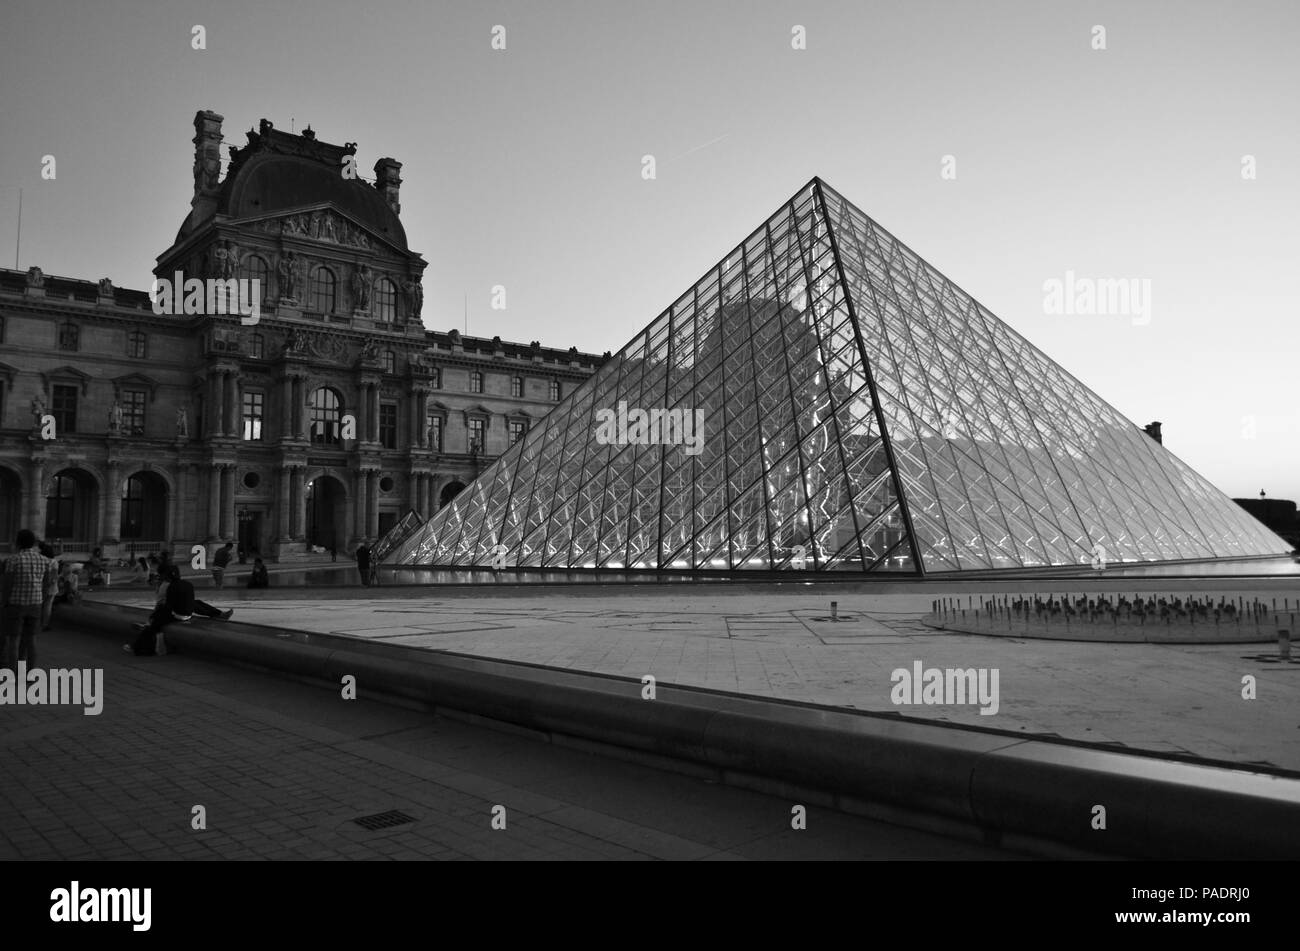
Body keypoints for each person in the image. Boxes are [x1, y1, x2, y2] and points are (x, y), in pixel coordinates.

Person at [125, 566, 233, 657]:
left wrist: (156, 615)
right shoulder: (188, 584)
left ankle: (136, 646)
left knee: (153, 625)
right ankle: (219, 614)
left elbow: (169, 606)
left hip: (178, 616)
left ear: (168, 576)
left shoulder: (170, 586)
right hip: (188, 614)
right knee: (196, 602)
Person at [2, 529, 55, 670]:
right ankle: (31, 672)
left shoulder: (13, 560)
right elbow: (46, 583)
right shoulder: (44, 560)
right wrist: (41, 600)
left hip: (16, 603)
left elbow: (8, 584)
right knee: (31, 640)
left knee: (14, 639)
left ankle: (12, 673)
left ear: (18, 542)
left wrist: (3, 602)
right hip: (35, 604)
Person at [38, 541, 58, 632]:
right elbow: (54, 575)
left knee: (39, 605)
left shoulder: (40, 560)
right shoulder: (54, 562)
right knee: (48, 606)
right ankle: (44, 624)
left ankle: (37, 624)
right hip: (50, 586)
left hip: (40, 585)